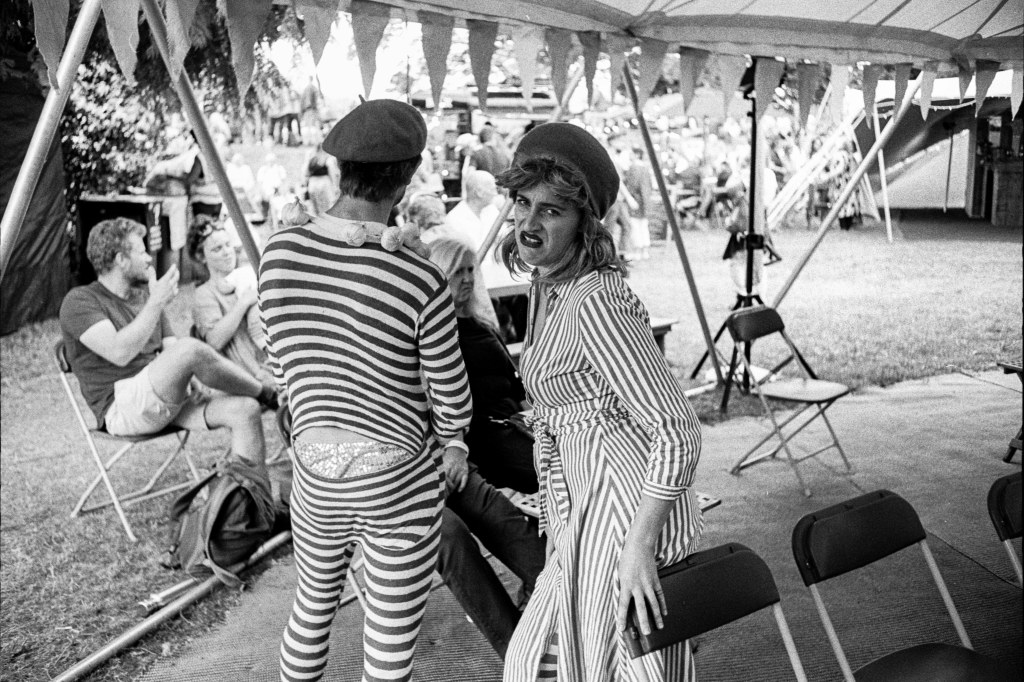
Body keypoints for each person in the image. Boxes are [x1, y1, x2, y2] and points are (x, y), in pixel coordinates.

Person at [261, 98, 473, 682]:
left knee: (309, 611)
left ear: (339, 168)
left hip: (315, 471)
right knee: (388, 639)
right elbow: (450, 390)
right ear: (405, 178)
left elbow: (281, 364)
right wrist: (454, 438)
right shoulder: (418, 274)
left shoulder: (279, 252)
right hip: (396, 480)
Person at [495, 123, 704, 682]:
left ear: (583, 223)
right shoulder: (549, 286)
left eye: (551, 211)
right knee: (541, 663)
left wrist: (639, 544)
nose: (529, 222)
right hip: (580, 504)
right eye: (522, 202)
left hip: (618, 507)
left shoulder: (596, 299)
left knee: (603, 665)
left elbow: (676, 428)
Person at [58, 218, 277, 471]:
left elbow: (172, 351)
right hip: (123, 407)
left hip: (166, 400)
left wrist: (190, 380)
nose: (150, 259)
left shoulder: (145, 300)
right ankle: (266, 394)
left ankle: (252, 503)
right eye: (141, 252)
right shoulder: (80, 301)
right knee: (190, 348)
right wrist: (157, 302)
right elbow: (120, 353)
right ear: (120, 260)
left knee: (245, 410)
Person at [427, 236, 546, 658]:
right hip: (405, 478)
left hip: (449, 455)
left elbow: (453, 411)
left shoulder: (472, 325)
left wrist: (453, 447)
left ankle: (569, 601)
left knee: (504, 517)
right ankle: (521, 655)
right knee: (452, 538)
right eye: (455, 271)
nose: (464, 279)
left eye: (468, 271)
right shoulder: (425, 337)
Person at [304, 143, 340, 216]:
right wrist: (335, 186)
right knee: (327, 208)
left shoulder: (311, 159)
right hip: (324, 184)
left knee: (316, 209)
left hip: (312, 184)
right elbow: (332, 172)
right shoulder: (328, 158)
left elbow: (306, 173)